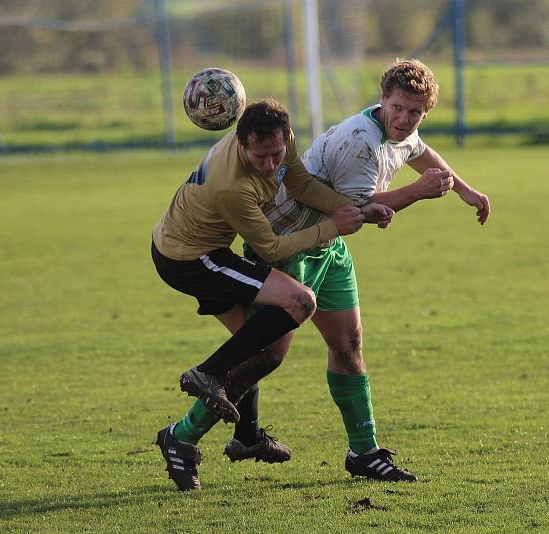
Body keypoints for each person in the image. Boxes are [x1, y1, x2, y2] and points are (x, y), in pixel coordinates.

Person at [218, 59, 490, 482]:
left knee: (348, 345)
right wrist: (417, 193)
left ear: (424, 112)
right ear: (383, 99)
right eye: (398, 108)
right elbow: (358, 210)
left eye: (415, 112)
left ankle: (364, 453)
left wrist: (466, 191)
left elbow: (420, 151)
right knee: (266, 354)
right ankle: (182, 433)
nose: (404, 119)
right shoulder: (361, 141)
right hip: (288, 246)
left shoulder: (401, 129)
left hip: (329, 247)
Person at [152, 98, 394, 491]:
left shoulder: (281, 138)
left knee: (260, 347)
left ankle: (235, 436)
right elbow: (271, 249)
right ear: (241, 144)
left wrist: (357, 209)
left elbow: (299, 182)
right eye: (260, 157)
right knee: (300, 303)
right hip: (190, 259)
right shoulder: (231, 186)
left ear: (285, 138)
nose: (269, 165)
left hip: (201, 250)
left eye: (276, 154)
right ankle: (206, 377)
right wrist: (333, 226)